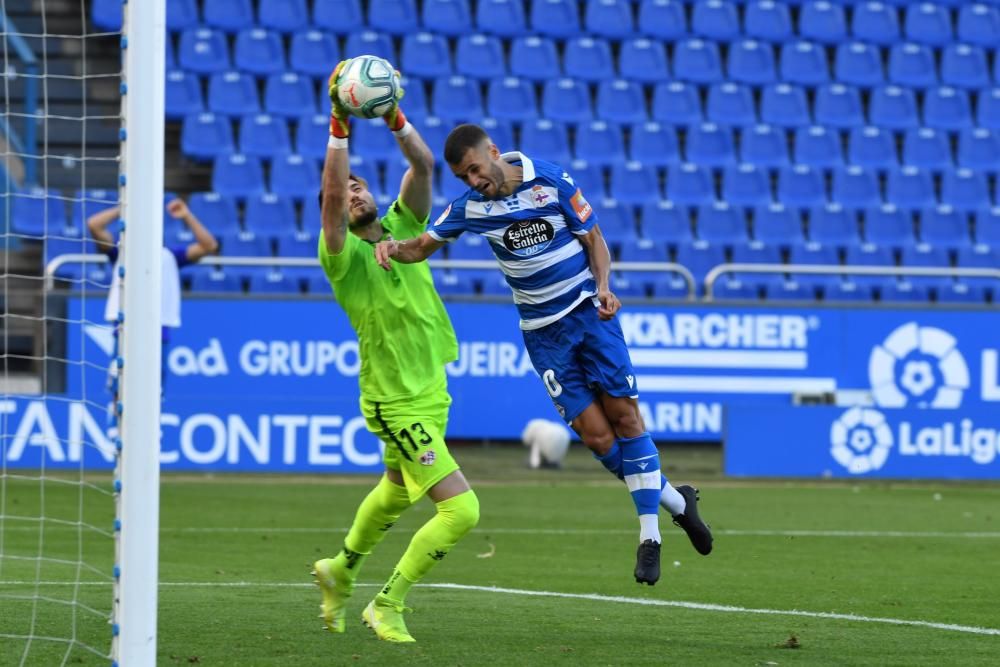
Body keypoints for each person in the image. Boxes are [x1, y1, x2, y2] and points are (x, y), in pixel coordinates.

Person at [374, 124, 713, 586]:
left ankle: (649, 536)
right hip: (543, 335)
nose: (473, 180)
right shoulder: (471, 208)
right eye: (463, 176)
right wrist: (390, 246)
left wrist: (605, 288)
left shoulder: (550, 180)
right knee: (596, 438)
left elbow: (594, 238)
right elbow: (423, 246)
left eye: (475, 169)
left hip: (587, 314)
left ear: (493, 152)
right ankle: (678, 500)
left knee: (626, 419)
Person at [310, 61, 479, 644]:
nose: (352, 191)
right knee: (462, 512)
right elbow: (332, 193)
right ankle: (388, 602)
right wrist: (339, 122)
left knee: (397, 490)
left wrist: (393, 117)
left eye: (360, 184)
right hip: (396, 399)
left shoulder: (404, 222)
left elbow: (425, 165)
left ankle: (341, 568)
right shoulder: (341, 256)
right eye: (344, 189)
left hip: (429, 389)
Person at [87, 199, 219, 401]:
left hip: (158, 328)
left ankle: (151, 430)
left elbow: (209, 245)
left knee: (154, 388)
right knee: (121, 384)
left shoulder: (169, 256)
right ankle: (117, 428)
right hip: (125, 326)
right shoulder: (121, 252)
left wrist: (186, 216)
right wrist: (124, 208)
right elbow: (94, 224)